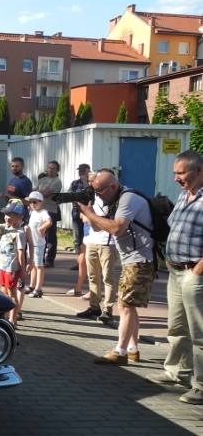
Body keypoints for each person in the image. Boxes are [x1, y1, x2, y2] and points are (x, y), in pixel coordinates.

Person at [78, 169, 155, 365]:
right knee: (130, 306)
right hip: (132, 259)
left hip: (140, 260)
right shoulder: (116, 198)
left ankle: (120, 351)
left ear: (112, 186)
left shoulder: (128, 198)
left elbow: (116, 228)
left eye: (99, 190)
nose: (96, 194)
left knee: (125, 306)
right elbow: (99, 227)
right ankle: (132, 349)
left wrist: (89, 213)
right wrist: (91, 213)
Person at [146, 150, 203, 404]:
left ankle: (201, 385)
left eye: (182, 173)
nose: (177, 178)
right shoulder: (183, 196)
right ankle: (177, 371)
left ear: (199, 170)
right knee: (177, 327)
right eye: (175, 174)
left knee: (199, 330)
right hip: (177, 270)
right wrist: (169, 257)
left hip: (195, 273)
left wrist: (199, 267)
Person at [76, 171, 118, 325]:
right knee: (93, 276)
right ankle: (94, 307)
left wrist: (90, 216)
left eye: (97, 185)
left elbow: (99, 225)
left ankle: (108, 309)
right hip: (92, 241)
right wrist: (86, 214)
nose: (93, 187)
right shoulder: (92, 199)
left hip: (108, 243)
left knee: (108, 278)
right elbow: (83, 218)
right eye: (92, 183)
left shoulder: (112, 200)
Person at [0, 201, 30, 327]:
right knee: (3, 292)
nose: (5, 217)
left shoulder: (19, 234)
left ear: (19, 217)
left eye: (9, 215)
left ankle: (12, 319)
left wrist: (22, 271)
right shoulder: (6, 228)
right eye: (5, 215)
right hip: (3, 266)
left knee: (12, 294)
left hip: (11, 268)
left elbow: (21, 253)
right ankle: (4, 316)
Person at [24, 191, 51, 298]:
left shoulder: (43, 212)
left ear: (41, 202)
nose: (32, 204)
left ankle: (38, 288)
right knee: (33, 265)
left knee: (39, 266)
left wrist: (41, 228)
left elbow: (49, 222)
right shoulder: (33, 212)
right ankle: (32, 285)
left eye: (34, 202)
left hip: (38, 243)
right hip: (31, 243)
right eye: (30, 202)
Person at [36, 160, 63, 267]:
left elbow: (47, 194)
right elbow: (34, 191)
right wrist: (39, 192)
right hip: (40, 210)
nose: (50, 170)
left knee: (50, 236)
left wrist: (39, 192)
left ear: (57, 171)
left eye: (53, 168)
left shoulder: (57, 181)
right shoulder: (42, 180)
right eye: (49, 168)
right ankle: (39, 258)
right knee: (40, 235)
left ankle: (50, 260)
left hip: (50, 211)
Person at [68, 163, 91, 257]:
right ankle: (79, 261)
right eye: (79, 170)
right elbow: (69, 195)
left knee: (88, 238)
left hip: (88, 215)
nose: (80, 172)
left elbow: (90, 195)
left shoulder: (91, 182)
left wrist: (85, 181)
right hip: (76, 213)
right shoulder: (75, 183)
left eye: (83, 170)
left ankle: (87, 261)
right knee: (77, 238)